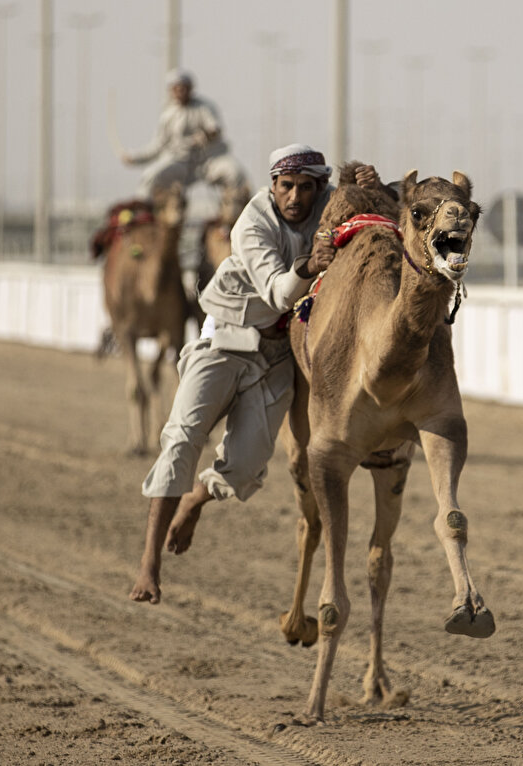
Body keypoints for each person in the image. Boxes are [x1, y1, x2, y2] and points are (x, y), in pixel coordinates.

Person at [129, 143, 385, 605]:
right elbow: (278, 292)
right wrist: (310, 264)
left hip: (279, 355)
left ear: (320, 187)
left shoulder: (329, 205)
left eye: (305, 188)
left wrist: (374, 188)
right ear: (273, 185)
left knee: (246, 467)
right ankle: (149, 563)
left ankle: (197, 498)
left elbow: (385, 215)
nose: (294, 197)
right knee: (182, 438)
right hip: (227, 337)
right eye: (286, 186)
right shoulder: (251, 223)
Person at [121, 68, 248, 199]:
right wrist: (135, 158)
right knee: (150, 175)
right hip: (180, 162)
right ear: (171, 91)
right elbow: (158, 146)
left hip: (208, 161)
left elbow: (215, 129)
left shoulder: (204, 107)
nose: (180, 91)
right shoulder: (168, 115)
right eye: (176, 88)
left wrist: (205, 136)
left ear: (191, 88)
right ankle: (142, 208)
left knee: (235, 172)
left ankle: (237, 208)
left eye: (183, 88)